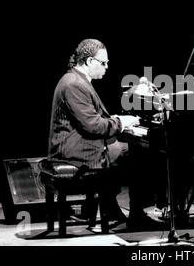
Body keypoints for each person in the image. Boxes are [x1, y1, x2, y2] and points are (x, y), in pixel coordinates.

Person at [46, 38, 161, 231]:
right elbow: (93, 126)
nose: (107, 67)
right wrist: (120, 123)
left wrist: (115, 119)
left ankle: (112, 208)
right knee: (140, 151)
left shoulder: (75, 80)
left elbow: (90, 118)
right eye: (103, 62)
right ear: (90, 61)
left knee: (129, 149)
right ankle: (135, 215)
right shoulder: (74, 84)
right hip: (75, 152)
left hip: (79, 145)